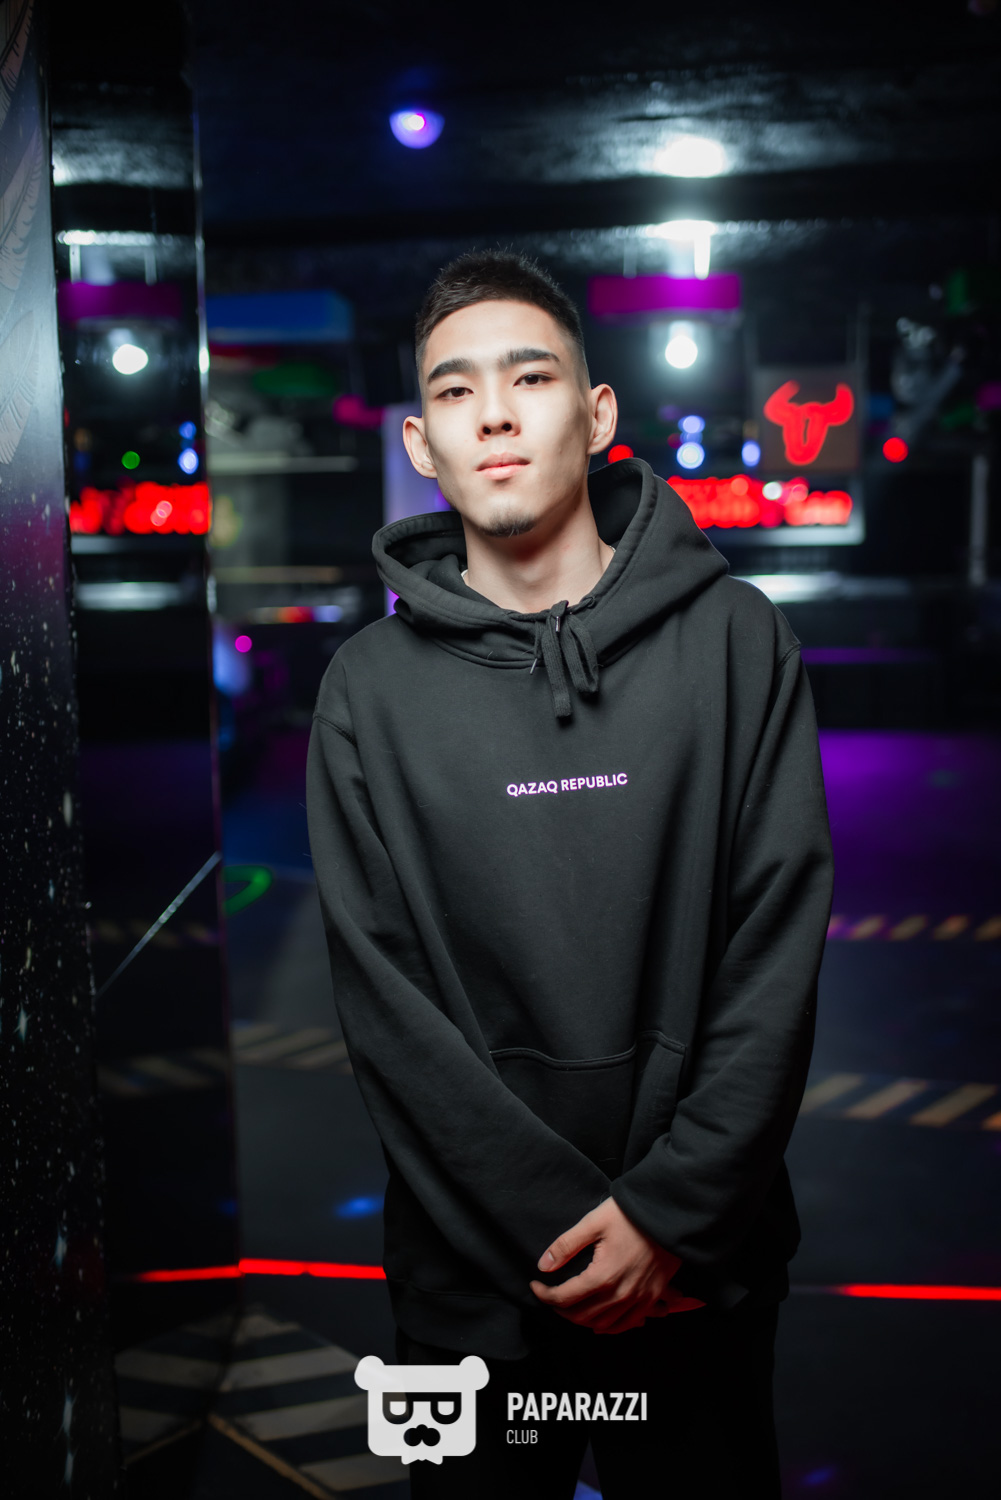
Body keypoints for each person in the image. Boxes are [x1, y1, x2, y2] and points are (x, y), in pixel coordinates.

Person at [305, 250, 834, 1498]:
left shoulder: (737, 642)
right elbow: (388, 1011)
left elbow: (771, 959)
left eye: (528, 376)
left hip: (698, 1272)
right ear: (421, 443)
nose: (492, 412)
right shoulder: (364, 694)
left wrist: (666, 1218)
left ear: (595, 417)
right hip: (471, 1292)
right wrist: (567, 1230)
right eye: (454, 390)